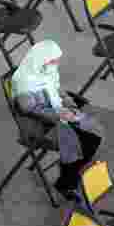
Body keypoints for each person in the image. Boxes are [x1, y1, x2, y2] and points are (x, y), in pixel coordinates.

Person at [12, 40, 103, 201]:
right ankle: (67, 182)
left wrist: (70, 105)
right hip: (40, 125)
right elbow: (29, 109)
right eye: (53, 60)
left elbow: (60, 91)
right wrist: (59, 115)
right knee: (86, 140)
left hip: (58, 116)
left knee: (93, 136)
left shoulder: (48, 72)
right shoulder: (24, 80)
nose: (56, 63)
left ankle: (69, 178)